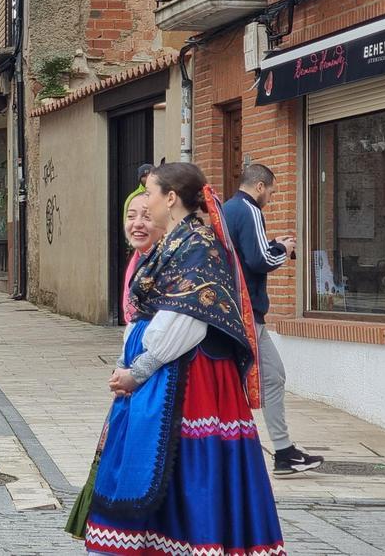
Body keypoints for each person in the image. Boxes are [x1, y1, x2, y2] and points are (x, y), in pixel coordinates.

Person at [84, 162, 284, 555]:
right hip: (171, 374)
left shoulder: (197, 247)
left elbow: (186, 321)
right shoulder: (180, 241)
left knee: (187, 469)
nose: (147, 201)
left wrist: (138, 371)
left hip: (189, 380)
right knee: (166, 471)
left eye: (151, 193)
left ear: (170, 198)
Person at [65, 192, 165, 539]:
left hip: (155, 376)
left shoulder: (166, 262)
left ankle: (136, 535)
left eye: (146, 217)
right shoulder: (140, 260)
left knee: (143, 456)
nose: (137, 224)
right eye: (131, 216)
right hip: (132, 369)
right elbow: (132, 319)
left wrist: (136, 370)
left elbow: (175, 325)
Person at [223, 163, 324, 475]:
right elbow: (259, 260)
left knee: (271, 377)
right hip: (248, 311)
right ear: (259, 187)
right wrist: (283, 247)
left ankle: (283, 452)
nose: (270, 197)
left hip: (239, 310)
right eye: (271, 191)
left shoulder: (228, 209)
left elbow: (244, 253)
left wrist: (271, 244)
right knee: (254, 379)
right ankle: (271, 451)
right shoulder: (250, 210)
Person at [121, 163, 153, 229]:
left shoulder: (161, 194)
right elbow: (127, 222)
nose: (147, 178)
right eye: (144, 176)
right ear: (140, 179)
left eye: (150, 175)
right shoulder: (133, 197)